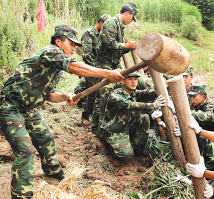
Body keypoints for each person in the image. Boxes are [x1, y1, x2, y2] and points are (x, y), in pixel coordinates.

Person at [0, 24, 124, 199]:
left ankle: (52, 170)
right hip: (10, 107)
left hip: (28, 108)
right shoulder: (50, 51)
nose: (74, 48)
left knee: (46, 136)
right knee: (25, 150)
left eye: (75, 45)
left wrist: (64, 96)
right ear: (58, 41)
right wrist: (107, 73)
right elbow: (74, 67)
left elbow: (48, 95)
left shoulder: (55, 67)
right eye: (71, 43)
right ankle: (21, 195)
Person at [95, 1, 139, 135]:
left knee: (109, 95)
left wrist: (128, 47)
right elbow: (108, 43)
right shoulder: (111, 22)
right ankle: (98, 128)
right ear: (128, 13)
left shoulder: (119, 26)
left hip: (112, 65)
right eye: (132, 18)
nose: (131, 21)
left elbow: (116, 49)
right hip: (104, 65)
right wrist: (126, 46)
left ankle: (105, 124)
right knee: (103, 96)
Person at [100, 72, 166, 158]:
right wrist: (153, 105)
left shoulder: (133, 92)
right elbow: (129, 104)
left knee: (144, 118)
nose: (134, 82)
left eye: (135, 79)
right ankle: (109, 145)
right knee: (126, 155)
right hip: (115, 130)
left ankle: (139, 148)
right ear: (123, 81)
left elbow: (144, 94)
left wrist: (156, 92)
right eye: (130, 79)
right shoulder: (115, 95)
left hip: (127, 124)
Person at [78, 14, 111, 122]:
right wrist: (97, 68)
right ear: (100, 23)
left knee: (100, 93)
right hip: (91, 68)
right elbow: (86, 55)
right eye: (105, 26)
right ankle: (85, 116)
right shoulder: (89, 33)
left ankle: (96, 117)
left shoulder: (103, 35)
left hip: (101, 69)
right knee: (92, 92)